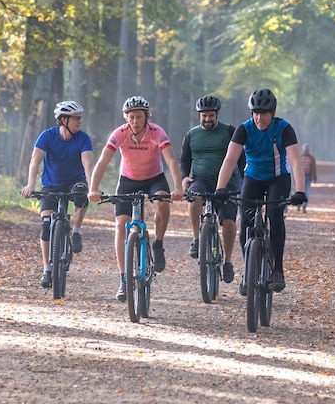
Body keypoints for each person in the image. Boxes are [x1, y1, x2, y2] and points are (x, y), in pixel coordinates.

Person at [88, 96, 184, 301]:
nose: (135, 121)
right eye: (131, 117)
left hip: (154, 179)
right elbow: (103, 161)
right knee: (121, 224)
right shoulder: (119, 134)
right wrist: (93, 188)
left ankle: (158, 243)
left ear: (147, 117)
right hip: (128, 180)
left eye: (139, 116)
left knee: (162, 203)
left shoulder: (157, 133)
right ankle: (124, 279)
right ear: (126, 118)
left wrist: (177, 187)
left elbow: (171, 161)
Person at [214, 88, 306, 294]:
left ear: (272, 113)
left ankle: (278, 271)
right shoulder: (244, 129)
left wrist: (300, 190)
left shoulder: (283, 129)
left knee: (274, 214)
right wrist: (221, 187)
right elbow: (229, 160)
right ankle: (248, 269)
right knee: (245, 220)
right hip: (253, 178)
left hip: (278, 178)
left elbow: (295, 160)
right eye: (255, 112)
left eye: (263, 113)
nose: (258, 117)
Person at [21, 100, 94, 289]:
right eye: (76, 118)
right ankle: (47, 268)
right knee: (46, 226)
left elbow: (87, 164)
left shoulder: (83, 138)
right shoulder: (47, 136)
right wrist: (30, 184)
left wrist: (92, 186)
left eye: (80, 118)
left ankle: (76, 231)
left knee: (81, 192)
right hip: (51, 185)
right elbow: (35, 161)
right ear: (63, 120)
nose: (79, 121)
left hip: (75, 181)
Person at [179, 95, 243, 285]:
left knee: (229, 220)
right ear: (199, 115)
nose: (207, 119)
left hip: (227, 183)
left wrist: (245, 180)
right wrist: (184, 177)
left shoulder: (229, 132)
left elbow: (241, 158)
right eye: (203, 116)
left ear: (217, 114)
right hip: (201, 179)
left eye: (210, 116)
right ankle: (197, 239)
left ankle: (228, 261)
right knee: (194, 196)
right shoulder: (191, 135)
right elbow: (184, 159)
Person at [298, 143, 318, 213]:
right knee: (299, 191)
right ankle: (298, 204)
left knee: (307, 192)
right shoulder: (299, 157)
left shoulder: (311, 158)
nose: (306, 150)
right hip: (300, 177)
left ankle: (304, 206)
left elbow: (314, 168)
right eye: (305, 149)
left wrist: (315, 177)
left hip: (308, 177)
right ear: (303, 149)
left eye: (307, 149)